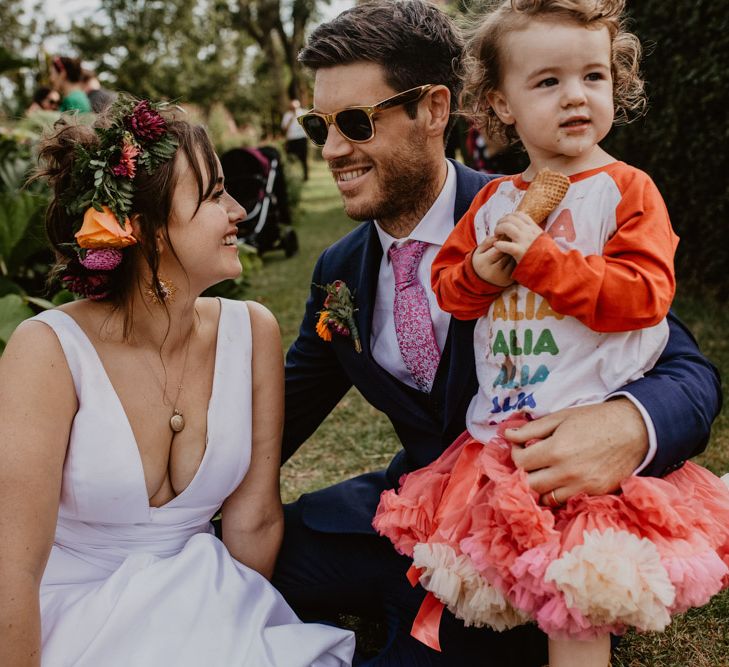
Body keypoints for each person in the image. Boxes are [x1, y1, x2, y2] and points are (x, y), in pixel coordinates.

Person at [274, 1, 721, 665]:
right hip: (419, 506)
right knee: (239, 554)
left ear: (433, 111)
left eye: (355, 122)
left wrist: (626, 425)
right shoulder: (339, 270)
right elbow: (286, 403)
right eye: (320, 126)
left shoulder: (553, 206)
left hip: (520, 527)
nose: (334, 147)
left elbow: (685, 368)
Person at [0, 95, 354, 667]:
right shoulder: (48, 350)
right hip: (72, 612)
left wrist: (236, 626)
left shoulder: (252, 331)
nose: (238, 209)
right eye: (215, 195)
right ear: (148, 231)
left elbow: (254, 518)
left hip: (205, 595)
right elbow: (10, 565)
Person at [281, 98, 309, 180]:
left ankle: (305, 176)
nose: (294, 109)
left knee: (303, 158)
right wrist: (291, 119)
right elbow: (284, 129)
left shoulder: (303, 113)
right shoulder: (287, 115)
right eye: (292, 107)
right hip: (291, 139)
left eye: (295, 107)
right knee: (290, 157)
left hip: (302, 138)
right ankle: (292, 175)